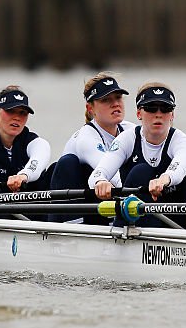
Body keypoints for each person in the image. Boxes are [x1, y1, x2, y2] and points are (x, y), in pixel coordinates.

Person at [88, 82, 186, 226]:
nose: (158, 114)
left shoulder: (183, 142)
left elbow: (179, 167)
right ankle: (121, 233)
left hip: (177, 223)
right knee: (142, 171)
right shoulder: (127, 139)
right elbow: (97, 174)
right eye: (151, 108)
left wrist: (164, 179)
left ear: (172, 114)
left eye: (165, 108)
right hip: (137, 224)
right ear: (139, 113)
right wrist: (100, 182)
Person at [49, 72, 135, 222]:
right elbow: (110, 175)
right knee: (68, 162)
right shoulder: (86, 137)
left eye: (118, 97)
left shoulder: (130, 130)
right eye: (106, 100)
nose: (115, 103)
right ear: (91, 109)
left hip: (102, 208)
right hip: (72, 214)